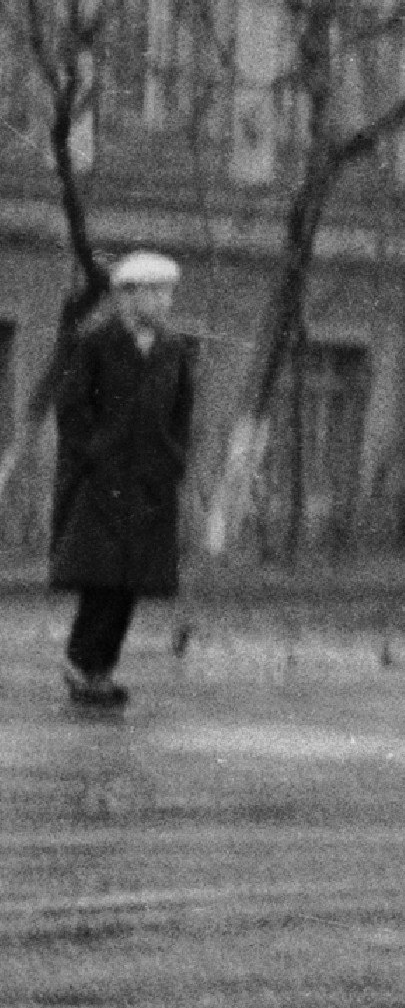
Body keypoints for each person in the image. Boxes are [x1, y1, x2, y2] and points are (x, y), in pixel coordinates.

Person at [50, 253, 198, 711]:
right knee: (102, 579)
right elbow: (72, 410)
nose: (163, 301)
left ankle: (102, 671)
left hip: (152, 482)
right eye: (153, 291)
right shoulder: (95, 343)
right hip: (105, 482)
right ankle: (81, 663)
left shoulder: (175, 349)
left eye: (167, 292)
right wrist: (93, 455)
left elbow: (182, 412)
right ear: (126, 296)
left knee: (133, 581)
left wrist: (173, 459)